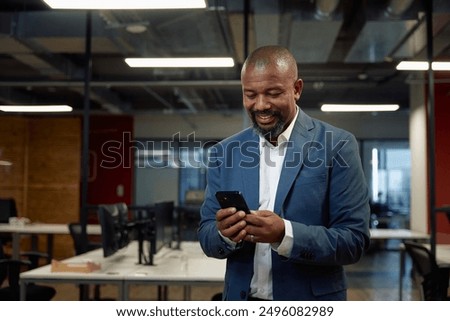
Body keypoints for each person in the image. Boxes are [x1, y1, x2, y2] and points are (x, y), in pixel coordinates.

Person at [198, 45, 370, 301]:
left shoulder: (338, 145)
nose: (261, 105)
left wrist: (284, 234)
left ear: (297, 89)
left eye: (273, 93)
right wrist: (224, 233)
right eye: (250, 95)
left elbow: (353, 241)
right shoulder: (225, 151)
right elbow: (206, 233)